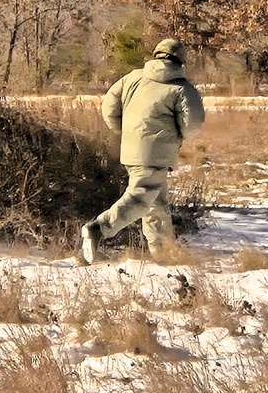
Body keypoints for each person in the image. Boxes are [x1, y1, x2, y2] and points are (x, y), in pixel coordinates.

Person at [81, 38, 205, 264]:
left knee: (156, 203)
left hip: (130, 150)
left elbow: (109, 107)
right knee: (140, 198)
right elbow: (193, 124)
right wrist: (178, 135)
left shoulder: (132, 78)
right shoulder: (181, 88)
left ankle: (164, 253)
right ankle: (98, 228)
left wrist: (125, 130)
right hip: (157, 154)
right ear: (181, 60)